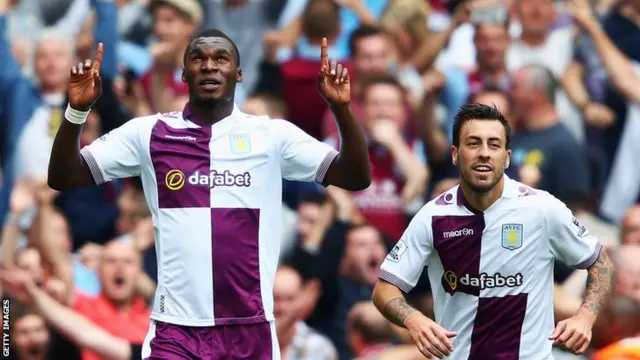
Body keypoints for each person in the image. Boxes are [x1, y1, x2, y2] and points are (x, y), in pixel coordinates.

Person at [47, 29, 371, 359]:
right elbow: (63, 176)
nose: (209, 66)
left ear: (239, 73)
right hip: (174, 330)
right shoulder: (148, 133)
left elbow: (355, 176)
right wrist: (76, 112)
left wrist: (341, 109)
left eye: (221, 58)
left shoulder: (271, 135)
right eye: (198, 59)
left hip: (249, 328)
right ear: (184, 73)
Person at [371, 103, 614, 360]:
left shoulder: (541, 208)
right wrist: (414, 320)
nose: (484, 153)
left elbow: (602, 264)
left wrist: (585, 317)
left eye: (494, 144)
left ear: (507, 157)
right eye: (473, 143)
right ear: (455, 154)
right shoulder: (432, 216)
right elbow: (384, 289)